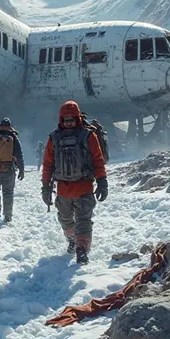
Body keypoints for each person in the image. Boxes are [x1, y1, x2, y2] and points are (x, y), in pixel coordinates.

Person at [42, 100, 108, 265]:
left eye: (72, 119)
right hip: (63, 189)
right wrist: (45, 187)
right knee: (65, 219)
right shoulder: (54, 138)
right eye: (66, 119)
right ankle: (73, 239)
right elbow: (48, 164)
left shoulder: (89, 136)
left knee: (84, 220)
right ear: (61, 120)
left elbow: (98, 160)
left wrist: (102, 181)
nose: (69, 122)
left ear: (78, 118)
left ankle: (82, 249)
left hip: (84, 187)